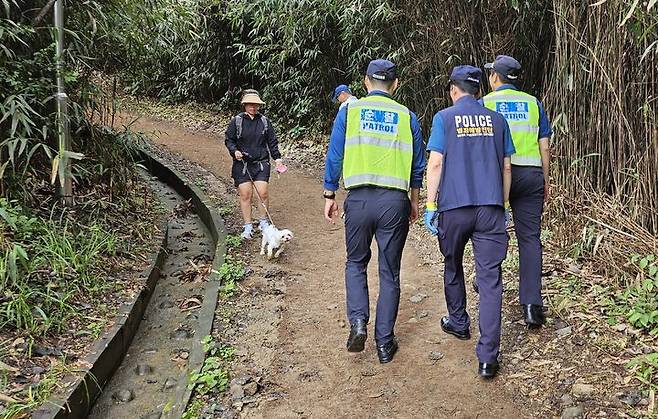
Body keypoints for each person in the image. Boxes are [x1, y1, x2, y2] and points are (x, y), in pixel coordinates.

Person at [323, 59, 426, 364]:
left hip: (358, 201)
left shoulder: (350, 112)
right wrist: (414, 201)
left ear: (365, 82)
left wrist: (329, 193)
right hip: (394, 202)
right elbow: (417, 166)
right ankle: (384, 343)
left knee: (355, 263)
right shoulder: (408, 117)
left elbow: (335, 154)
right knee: (389, 271)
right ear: (395, 85)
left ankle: (357, 323)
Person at [424, 65, 514, 378]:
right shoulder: (498, 120)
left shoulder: (444, 118)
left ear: (453, 90)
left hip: (454, 207)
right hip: (490, 207)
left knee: (452, 264)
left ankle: (459, 323)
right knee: (490, 280)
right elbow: (506, 168)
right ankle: (488, 357)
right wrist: (503, 205)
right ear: (478, 91)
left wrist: (430, 204)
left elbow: (435, 164)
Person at [482, 55, 552, 328]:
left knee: (491, 231)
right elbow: (544, 145)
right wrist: (546, 179)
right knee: (530, 239)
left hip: (496, 175)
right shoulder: (533, 103)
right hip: (532, 173)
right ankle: (532, 307)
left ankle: (486, 280)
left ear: (495, 78)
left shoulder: (485, 103)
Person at [225, 89, 286, 239]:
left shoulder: (264, 122)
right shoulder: (237, 121)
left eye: (255, 105)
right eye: (250, 104)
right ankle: (247, 226)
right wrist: (234, 151)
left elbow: (272, 141)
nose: (253, 107)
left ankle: (263, 222)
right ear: (245, 105)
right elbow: (229, 139)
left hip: (261, 163)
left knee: (262, 192)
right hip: (242, 164)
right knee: (246, 194)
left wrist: (277, 158)